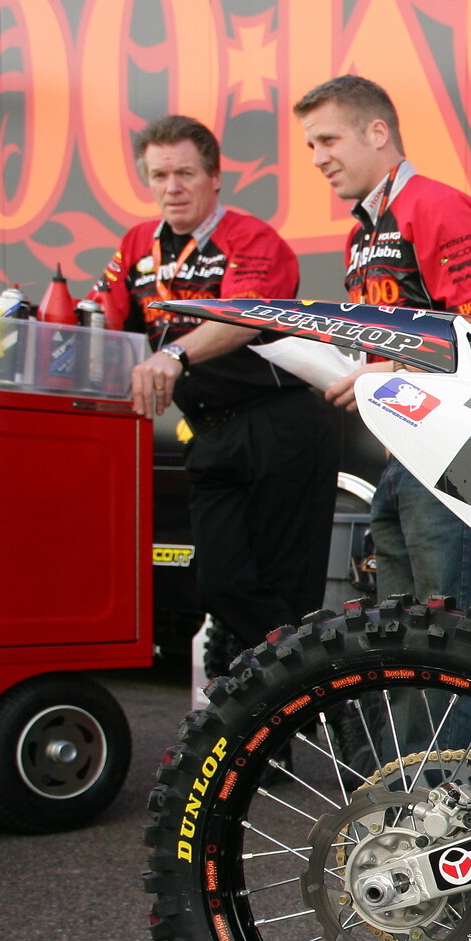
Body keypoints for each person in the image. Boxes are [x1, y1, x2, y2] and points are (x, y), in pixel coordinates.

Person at [99, 114, 336, 653]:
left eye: (184, 173)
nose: (172, 188)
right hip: (208, 432)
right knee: (219, 584)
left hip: (279, 426)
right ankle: (318, 682)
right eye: (159, 176)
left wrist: (175, 354)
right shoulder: (137, 244)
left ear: (214, 177)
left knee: (286, 592)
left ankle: (309, 707)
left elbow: (243, 316)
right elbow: (103, 318)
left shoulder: (251, 237)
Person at [296, 75, 471, 608]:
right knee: (404, 644)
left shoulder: (437, 206)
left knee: (453, 638)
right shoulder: (361, 233)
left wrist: (392, 375)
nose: (317, 158)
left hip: (454, 454)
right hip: (399, 455)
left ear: (376, 132)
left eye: (328, 140)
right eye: (310, 146)